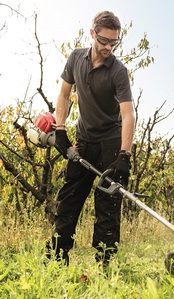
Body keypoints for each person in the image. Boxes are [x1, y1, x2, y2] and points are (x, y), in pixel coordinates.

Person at [47, 11, 135, 267]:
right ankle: (56, 258)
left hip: (111, 143)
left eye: (113, 42)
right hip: (83, 141)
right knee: (69, 199)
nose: (108, 47)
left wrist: (124, 155)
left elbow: (128, 115)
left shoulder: (118, 71)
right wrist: (61, 130)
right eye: (104, 41)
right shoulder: (76, 58)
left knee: (107, 205)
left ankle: (105, 265)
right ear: (92, 34)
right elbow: (64, 95)